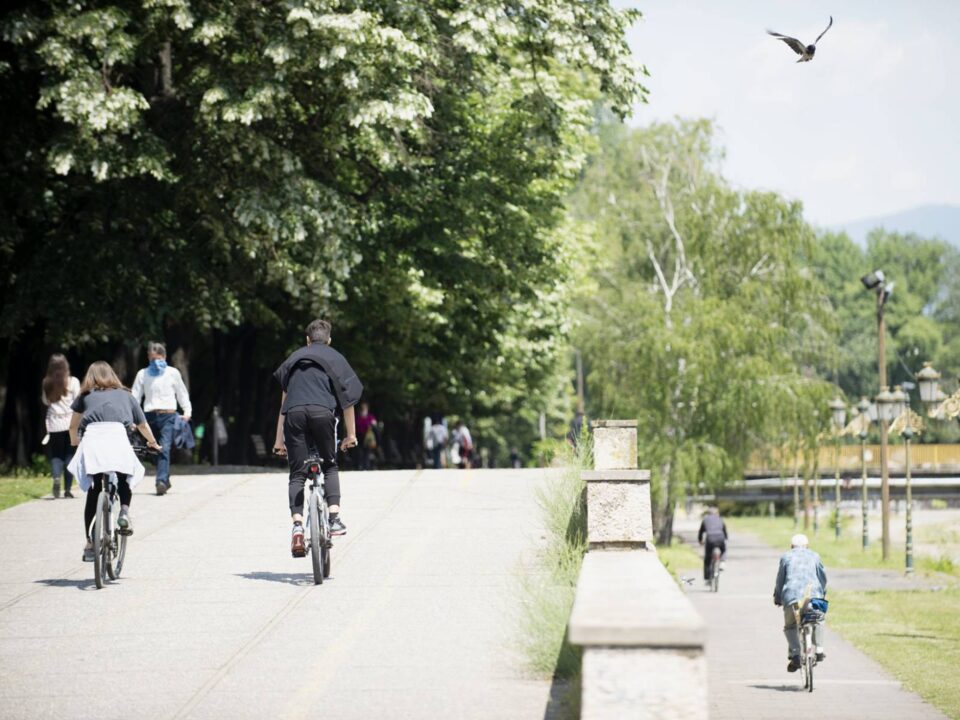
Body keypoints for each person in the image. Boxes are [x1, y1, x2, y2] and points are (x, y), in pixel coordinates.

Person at [273, 319, 362, 557]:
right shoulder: (336, 358)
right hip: (323, 413)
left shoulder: (294, 358)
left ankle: (298, 527)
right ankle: (333, 519)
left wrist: (278, 440)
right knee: (330, 466)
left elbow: (283, 404)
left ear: (307, 340)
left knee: (297, 474)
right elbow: (348, 400)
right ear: (329, 340)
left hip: (294, 415)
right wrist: (350, 435)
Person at [67, 362, 161, 561]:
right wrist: (153, 443)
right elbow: (142, 425)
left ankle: (90, 543)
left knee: (94, 490)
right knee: (124, 477)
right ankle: (124, 513)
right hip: (118, 438)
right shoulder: (126, 395)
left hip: (92, 440)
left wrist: (76, 444)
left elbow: (73, 427)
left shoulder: (84, 396)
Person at [131, 342, 192, 496]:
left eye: (157, 358)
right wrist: (132, 418)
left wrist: (187, 410)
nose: (154, 362)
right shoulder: (142, 374)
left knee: (163, 447)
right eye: (151, 359)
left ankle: (161, 482)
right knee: (153, 450)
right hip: (149, 417)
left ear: (164, 357)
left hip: (168, 416)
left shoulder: (172, 373)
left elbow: (181, 393)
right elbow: (135, 396)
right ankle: (165, 477)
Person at [774, 533, 828, 672]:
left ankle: (795, 654)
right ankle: (819, 650)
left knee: (790, 626)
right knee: (819, 620)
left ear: (791, 546)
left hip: (792, 597)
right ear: (807, 546)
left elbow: (780, 579)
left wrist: (778, 597)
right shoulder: (815, 556)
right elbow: (822, 577)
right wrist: (822, 592)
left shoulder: (786, 556)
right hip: (813, 595)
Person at [41, 354, 81, 498]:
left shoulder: (46, 382)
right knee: (70, 454)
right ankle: (68, 490)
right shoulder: (73, 381)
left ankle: (56, 477)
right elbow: (78, 400)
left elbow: (46, 402)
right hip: (70, 423)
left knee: (56, 455)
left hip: (54, 424)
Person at [698, 506, 728, 585]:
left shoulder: (705, 520)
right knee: (724, 550)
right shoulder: (720, 519)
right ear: (717, 513)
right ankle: (722, 562)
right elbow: (724, 531)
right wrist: (725, 538)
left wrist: (700, 541)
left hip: (710, 538)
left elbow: (701, 532)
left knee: (707, 559)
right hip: (720, 537)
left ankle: (708, 578)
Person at [355, 402, 378, 471]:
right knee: (360, 452)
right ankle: (360, 466)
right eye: (362, 408)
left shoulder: (370, 416)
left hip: (367, 437)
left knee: (367, 452)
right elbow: (356, 425)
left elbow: (374, 423)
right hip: (359, 436)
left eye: (365, 408)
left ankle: (367, 466)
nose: (364, 409)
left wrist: (373, 423)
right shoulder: (357, 417)